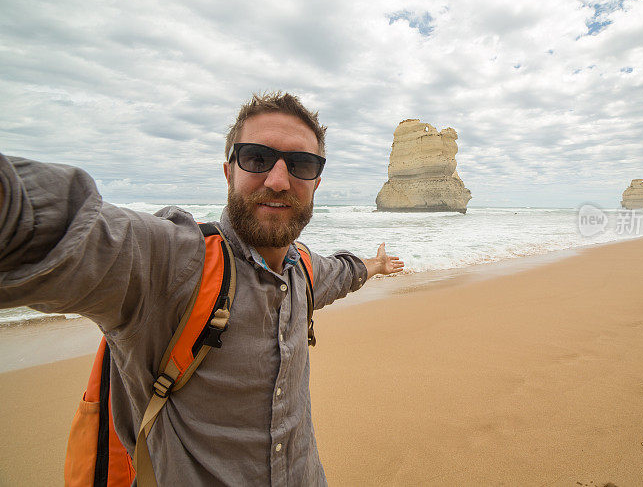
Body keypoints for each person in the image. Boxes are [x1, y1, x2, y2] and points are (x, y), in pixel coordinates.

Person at [0, 91, 404, 485]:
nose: (279, 180)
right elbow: (62, 227)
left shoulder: (305, 270)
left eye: (301, 164)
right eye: (257, 158)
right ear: (229, 171)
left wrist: (375, 265)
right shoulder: (176, 263)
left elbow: (345, 271)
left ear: (316, 181)